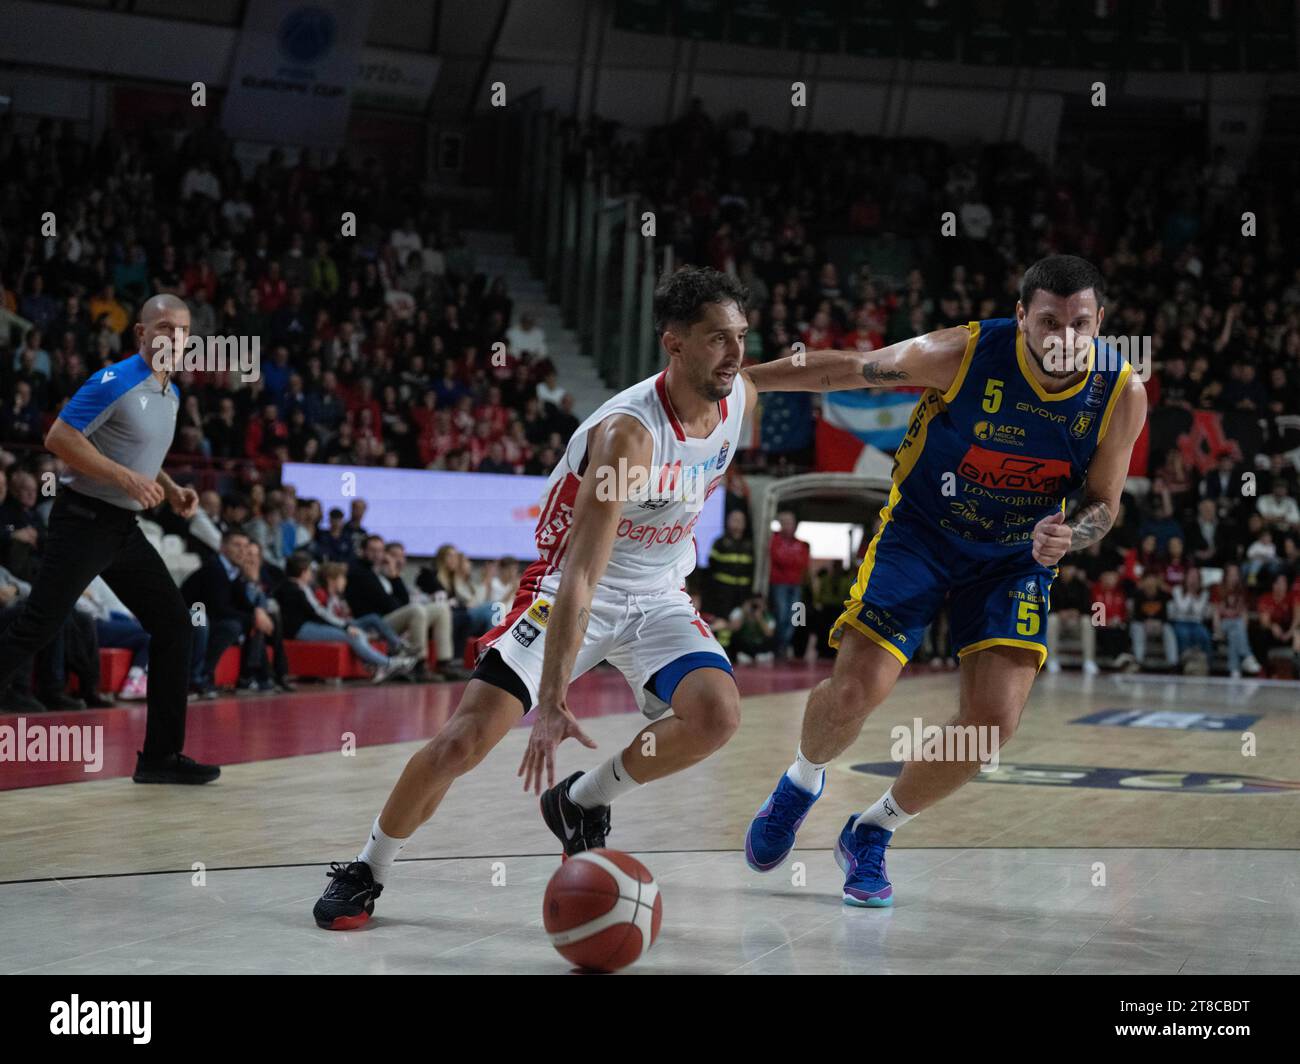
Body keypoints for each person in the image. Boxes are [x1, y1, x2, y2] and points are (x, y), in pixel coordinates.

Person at [311, 265, 861, 929]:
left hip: (658, 590)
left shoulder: (736, 391)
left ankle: (583, 799)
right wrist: (549, 703)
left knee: (716, 715)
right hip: (570, 584)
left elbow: (829, 373)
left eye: (741, 336)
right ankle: (369, 865)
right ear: (674, 342)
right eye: (719, 339)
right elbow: (581, 576)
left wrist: (901, 370)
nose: (737, 353)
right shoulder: (630, 434)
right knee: (464, 740)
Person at [743, 254, 1146, 906]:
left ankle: (872, 830)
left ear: (1100, 322)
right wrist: (745, 381)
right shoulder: (961, 352)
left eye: (1079, 323)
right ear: (1021, 318)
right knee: (854, 692)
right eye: (1049, 321)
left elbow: (1105, 503)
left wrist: (1073, 533)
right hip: (922, 533)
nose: (1064, 338)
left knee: (993, 722)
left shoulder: (1122, 394)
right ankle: (802, 778)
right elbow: (849, 369)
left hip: (1013, 558)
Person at [0, 294, 219, 783]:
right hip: (83, 520)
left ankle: (160, 758)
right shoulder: (115, 380)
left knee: (174, 625)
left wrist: (170, 487)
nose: (175, 338)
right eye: (164, 328)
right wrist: (124, 479)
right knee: (39, 623)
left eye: (183, 331)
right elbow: (59, 436)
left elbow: (137, 451)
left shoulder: (171, 391)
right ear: (141, 335)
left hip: (121, 528)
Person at [274, 552, 417, 682]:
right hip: (301, 629)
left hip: (307, 625)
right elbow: (317, 613)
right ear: (303, 571)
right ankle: (387, 663)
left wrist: (345, 625)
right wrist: (345, 626)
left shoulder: (301, 587)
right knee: (354, 635)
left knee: (366, 624)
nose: (312, 574)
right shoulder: (293, 589)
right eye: (310, 570)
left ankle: (389, 656)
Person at [768, 509, 809, 660]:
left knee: (795, 618)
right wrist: (792, 560)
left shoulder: (801, 544)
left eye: (790, 523)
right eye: (785, 522)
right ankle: (778, 647)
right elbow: (779, 558)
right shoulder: (774, 540)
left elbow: (803, 563)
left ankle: (784, 645)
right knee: (781, 615)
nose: (788, 526)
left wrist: (789, 560)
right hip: (779, 584)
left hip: (796, 585)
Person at [1045, 561, 1098, 675]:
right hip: (1059, 623)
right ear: (1061, 569)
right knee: (1052, 619)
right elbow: (1047, 605)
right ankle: (1052, 660)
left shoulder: (1081, 585)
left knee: (1087, 621)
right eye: (1067, 568)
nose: (1069, 571)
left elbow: (1088, 607)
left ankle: (1089, 661)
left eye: (1072, 568)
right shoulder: (1052, 583)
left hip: (1075, 623)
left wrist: (1077, 612)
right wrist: (1060, 613)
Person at [705, 508, 754, 619]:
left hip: (741, 595)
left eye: (740, 520)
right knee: (722, 624)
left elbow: (751, 572)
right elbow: (711, 569)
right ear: (728, 521)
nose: (737, 523)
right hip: (722, 594)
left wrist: (748, 598)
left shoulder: (749, 545)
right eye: (734, 520)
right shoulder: (719, 543)